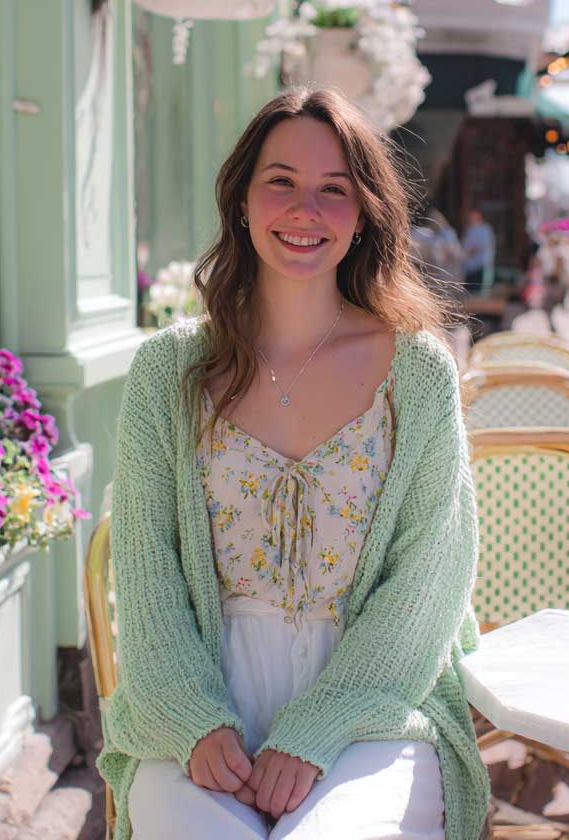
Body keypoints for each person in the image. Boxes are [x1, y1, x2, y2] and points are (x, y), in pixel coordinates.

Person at [99, 88, 489, 840]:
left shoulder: (417, 372)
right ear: (242, 200)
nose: (304, 209)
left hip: (376, 706)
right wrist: (191, 721)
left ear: (364, 214)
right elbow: (146, 572)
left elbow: (430, 580)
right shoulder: (168, 372)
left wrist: (320, 728)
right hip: (201, 706)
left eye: (333, 190)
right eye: (280, 181)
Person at [461, 207, 495, 293]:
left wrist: (467, 253)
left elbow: (479, 247)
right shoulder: (470, 229)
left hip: (480, 267)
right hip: (470, 267)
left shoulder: (485, 229)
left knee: (479, 294)